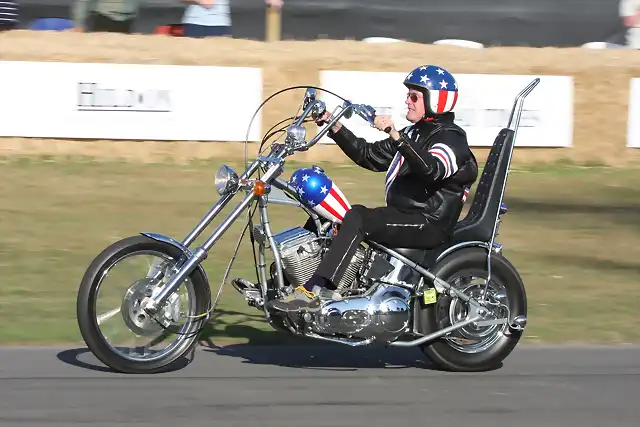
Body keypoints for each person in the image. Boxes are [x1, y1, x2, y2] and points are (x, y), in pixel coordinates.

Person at [268, 64, 479, 313]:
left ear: (437, 101)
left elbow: (432, 169)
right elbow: (368, 155)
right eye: (408, 95)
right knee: (325, 218)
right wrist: (333, 126)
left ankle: (316, 289)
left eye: (414, 96)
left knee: (357, 217)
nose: (407, 101)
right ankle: (286, 282)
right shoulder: (415, 133)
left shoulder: (451, 137)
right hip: (406, 215)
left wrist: (395, 135)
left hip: (429, 222)